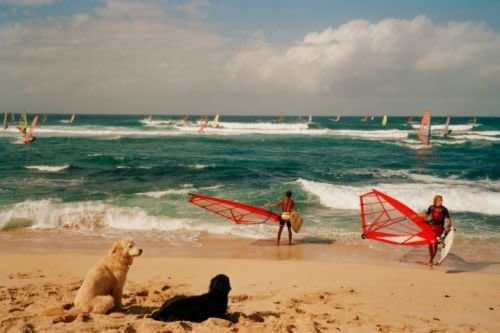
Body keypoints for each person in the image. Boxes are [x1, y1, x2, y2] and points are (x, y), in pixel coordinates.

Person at [424, 195, 452, 266]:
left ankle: (432, 258)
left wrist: (449, 226)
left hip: (439, 228)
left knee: (435, 243)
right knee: (430, 242)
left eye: (441, 200)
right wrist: (419, 218)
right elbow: (427, 215)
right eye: (439, 200)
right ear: (435, 200)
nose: (441, 202)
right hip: (431, 226)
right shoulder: (431, 207)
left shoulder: (444, 209)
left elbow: (448, 218)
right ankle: (431, 258)